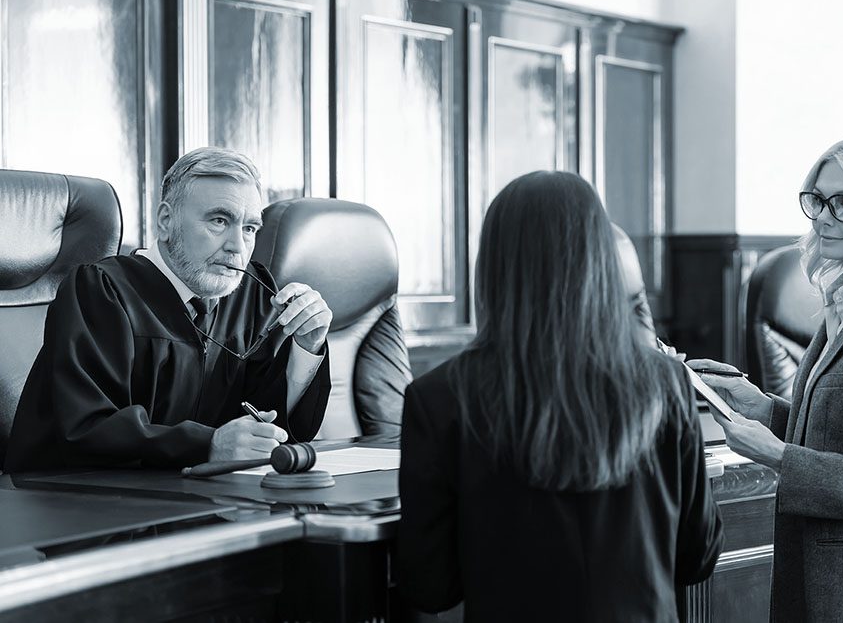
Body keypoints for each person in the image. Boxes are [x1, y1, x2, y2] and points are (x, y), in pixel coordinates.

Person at [398, 171, 723, 622]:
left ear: (491, 266)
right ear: (599, 262)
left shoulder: (439, 399)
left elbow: (430, 585)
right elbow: (697, 557)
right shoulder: (666, 384)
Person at [689, 131, 843, 621]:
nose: (824, 216)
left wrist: (776, 455)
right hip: (822, 582)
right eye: (819, 200)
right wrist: (765, 409)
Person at [4, 147, 332, 472]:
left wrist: (307, 345)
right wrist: (208, 445)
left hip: (196, 501)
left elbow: (265, 423)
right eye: (219, 221)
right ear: (166, 221)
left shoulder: (252, 295)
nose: (237, 247)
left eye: (249, 228)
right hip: (77, 503)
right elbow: (88, 428)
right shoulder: (102, 291)